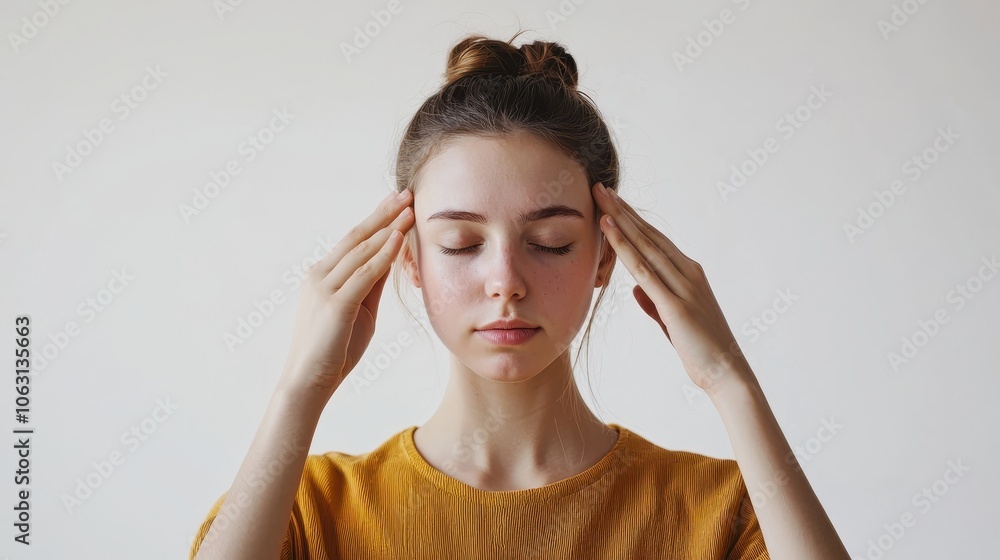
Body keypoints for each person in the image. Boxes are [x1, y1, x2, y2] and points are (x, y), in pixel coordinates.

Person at [189, 31, 850, 560]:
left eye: (552, 241)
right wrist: (299, 391)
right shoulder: (314, 512)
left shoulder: (719, 512)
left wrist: (730, 381)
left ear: (604, 257)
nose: (506, 279)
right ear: (410, 259)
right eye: (460, 244)